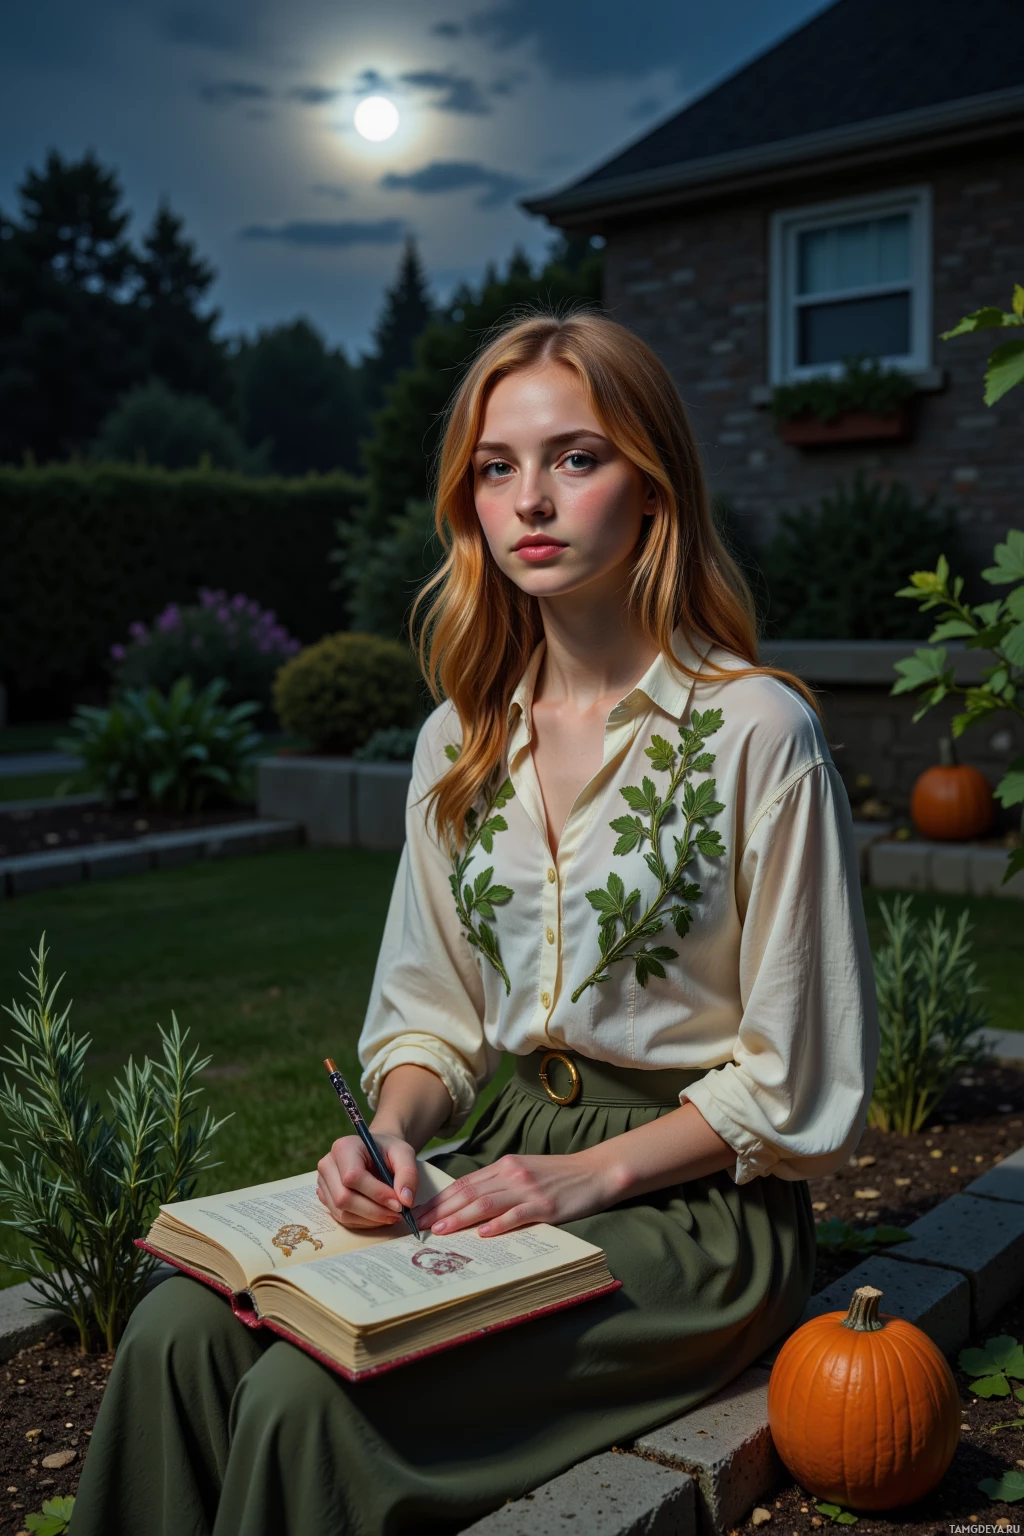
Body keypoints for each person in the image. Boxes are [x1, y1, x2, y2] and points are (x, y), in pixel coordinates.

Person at [71, 311, 879, 1536]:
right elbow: (429, 1012)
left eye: (575, 457)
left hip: (695, 1207)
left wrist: (587, 1175)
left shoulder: (758, 731)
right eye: (497, 468)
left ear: (652, 487)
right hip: (496, 1156)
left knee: (305, 1403)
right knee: (178, 1330)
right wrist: (391, 1134)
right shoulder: (461, 735)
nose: (530, 501)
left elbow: (796, 1081)